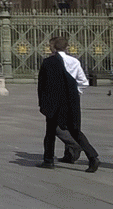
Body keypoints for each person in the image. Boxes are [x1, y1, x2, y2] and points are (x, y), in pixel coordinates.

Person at [37, 36, 100, 172]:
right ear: (66, 47)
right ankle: (93, 157)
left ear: (52, 47)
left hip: (54, 102)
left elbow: (43, 85)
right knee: (75, 130)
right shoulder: (74, 61)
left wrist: (43, 103)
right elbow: (83, 82)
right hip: (71, 101)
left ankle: (48, 160)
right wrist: (74, 93)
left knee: (50, 131)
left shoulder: (48, 62)